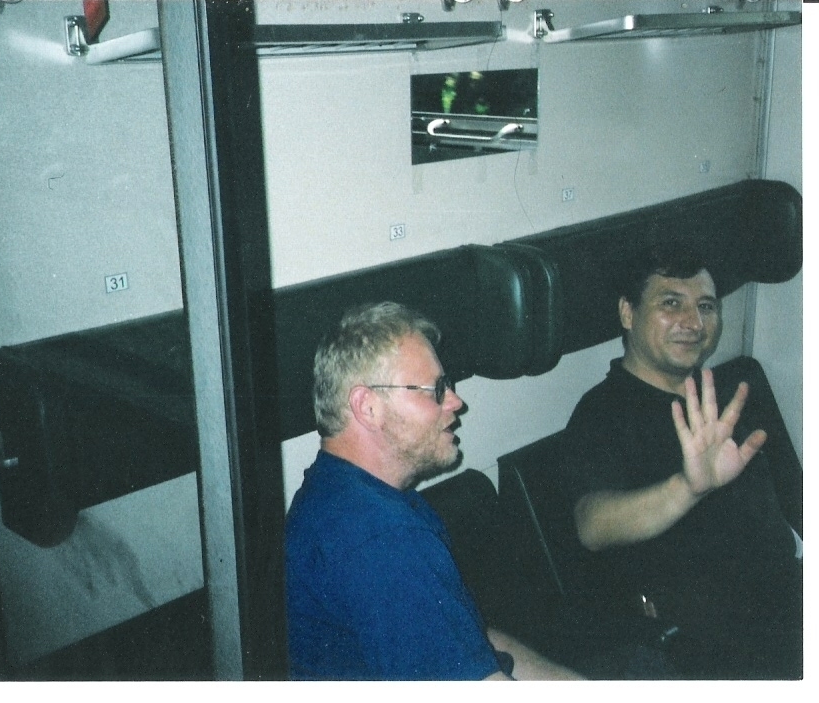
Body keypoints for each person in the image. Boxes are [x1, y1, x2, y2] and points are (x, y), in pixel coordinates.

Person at [285, 300, 582, 681]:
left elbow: (472, 645)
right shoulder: (378, 536)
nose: (456, 402)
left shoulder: (344, 493)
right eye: (435, 390)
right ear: (368, 407)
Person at [562, 244, 802, 679]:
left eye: (706, 306)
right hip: (717, 642)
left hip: (791, 599)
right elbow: (591, 525)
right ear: (628, 313)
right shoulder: (603, 413)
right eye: (671, 303)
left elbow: (795, 498)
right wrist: (688, 487)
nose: (694, 323)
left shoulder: (730, 392)